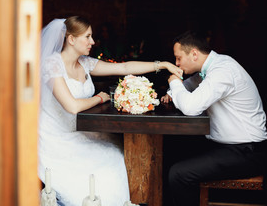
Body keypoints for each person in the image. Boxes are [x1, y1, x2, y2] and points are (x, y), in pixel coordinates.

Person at [38, 16, 183, 206]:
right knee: (107, 164)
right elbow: (72, 106)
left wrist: (161, 64)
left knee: (117, 154)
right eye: (88, 36)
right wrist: (100, 97)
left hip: (83, 131)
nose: (93, 41)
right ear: (71, 39)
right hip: (57, 138)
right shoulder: (52, 64)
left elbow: (123, 67)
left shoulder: (84, 63)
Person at [161, 30, 267, 206]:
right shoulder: (211, 68)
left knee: (179, 174)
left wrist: (173, 82)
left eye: (179, 58)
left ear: (194, 54)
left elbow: (190, 107)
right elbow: (191, 84)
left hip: (247, 152)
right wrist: (173, 92)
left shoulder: (223, 70)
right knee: (171, 150)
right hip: (226, 146)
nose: (177, 63)